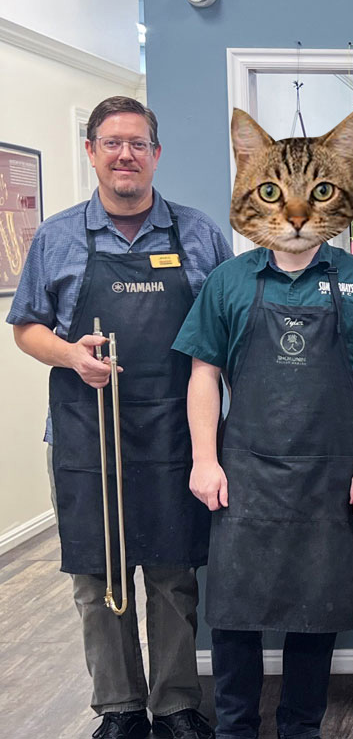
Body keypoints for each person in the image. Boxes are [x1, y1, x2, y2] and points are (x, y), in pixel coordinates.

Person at [172, 107, 353, 739]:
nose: (299, 213)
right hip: (244, 474)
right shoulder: (228, 281)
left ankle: (301, 729)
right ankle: (234, 730)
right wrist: (204, 459)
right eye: (278, 193)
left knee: (316, 614)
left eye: (321, 192)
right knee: (232, 616)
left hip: (333, 473)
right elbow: (203, 374)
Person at [6, 96, 231, 739]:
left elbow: (221, 329)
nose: (125, 154)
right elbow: (26, 328)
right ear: (92, 153)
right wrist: (70, 355)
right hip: (85, 431)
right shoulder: (55, 236)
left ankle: (176, 705)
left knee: (170, 573)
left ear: (155, 154)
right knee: (96, 576)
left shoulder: (196, 234)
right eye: (111, 143)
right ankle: (121, 709)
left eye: (137, 143)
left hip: (173, 433)